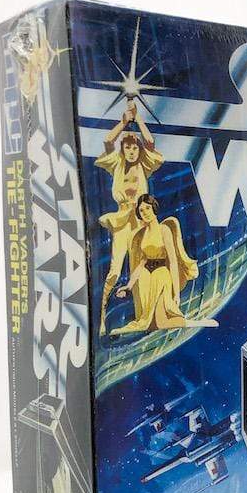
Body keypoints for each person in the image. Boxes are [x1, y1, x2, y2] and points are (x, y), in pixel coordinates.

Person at [95, 102, 165, 334]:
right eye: (128, 147)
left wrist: (138, 118)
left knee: (139, 270)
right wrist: (124, 122)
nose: (132, 151)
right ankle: (102, 318)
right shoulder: (117, 163)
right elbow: (108, 142)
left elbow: (150, 143)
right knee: (115, 271)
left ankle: (144, 317)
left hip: (141, 221)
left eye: (135, 147)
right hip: (123, 222)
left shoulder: (144, 164)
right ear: (123, 149)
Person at [111, 195, 218, 335]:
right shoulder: (142, 234)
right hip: (145, 279)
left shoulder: (164, 229)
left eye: (147, 208)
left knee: (162, 321)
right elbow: (142, 263)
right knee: (148, 323)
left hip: (161, 275)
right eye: (141, 210)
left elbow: (173, 261)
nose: (145, 213)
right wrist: (129, 286)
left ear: (153, 208)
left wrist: (176, 293)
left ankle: (201, 323)